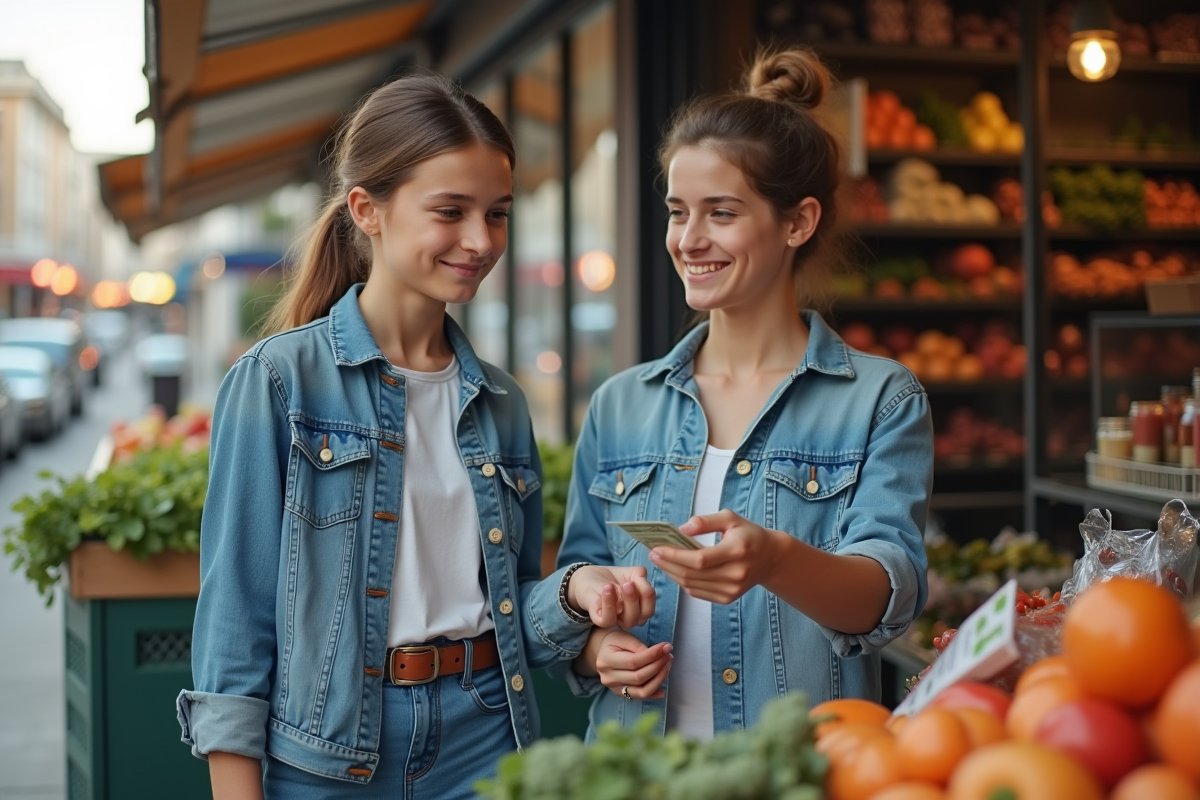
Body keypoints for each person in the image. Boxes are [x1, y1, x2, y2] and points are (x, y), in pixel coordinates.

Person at [176, 74, 655, 799]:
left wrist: (574, 597)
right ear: (368, 210)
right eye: (450, 211)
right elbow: (236, 622)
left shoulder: (502, 403)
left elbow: (508, 600)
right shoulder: (279, 381)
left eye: (497, 214)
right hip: (325, 756)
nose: (479, 240)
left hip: (489, 736)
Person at [557, 47, 933, 741]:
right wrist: (593, 644)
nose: (688, 240)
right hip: (639, 774)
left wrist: (777, 560)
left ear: (798, 222)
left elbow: (889, 596)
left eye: (721, 213)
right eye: (678, 212)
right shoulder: (620, 404)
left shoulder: (880, 398)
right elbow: (572, 582)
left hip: (799, 768)